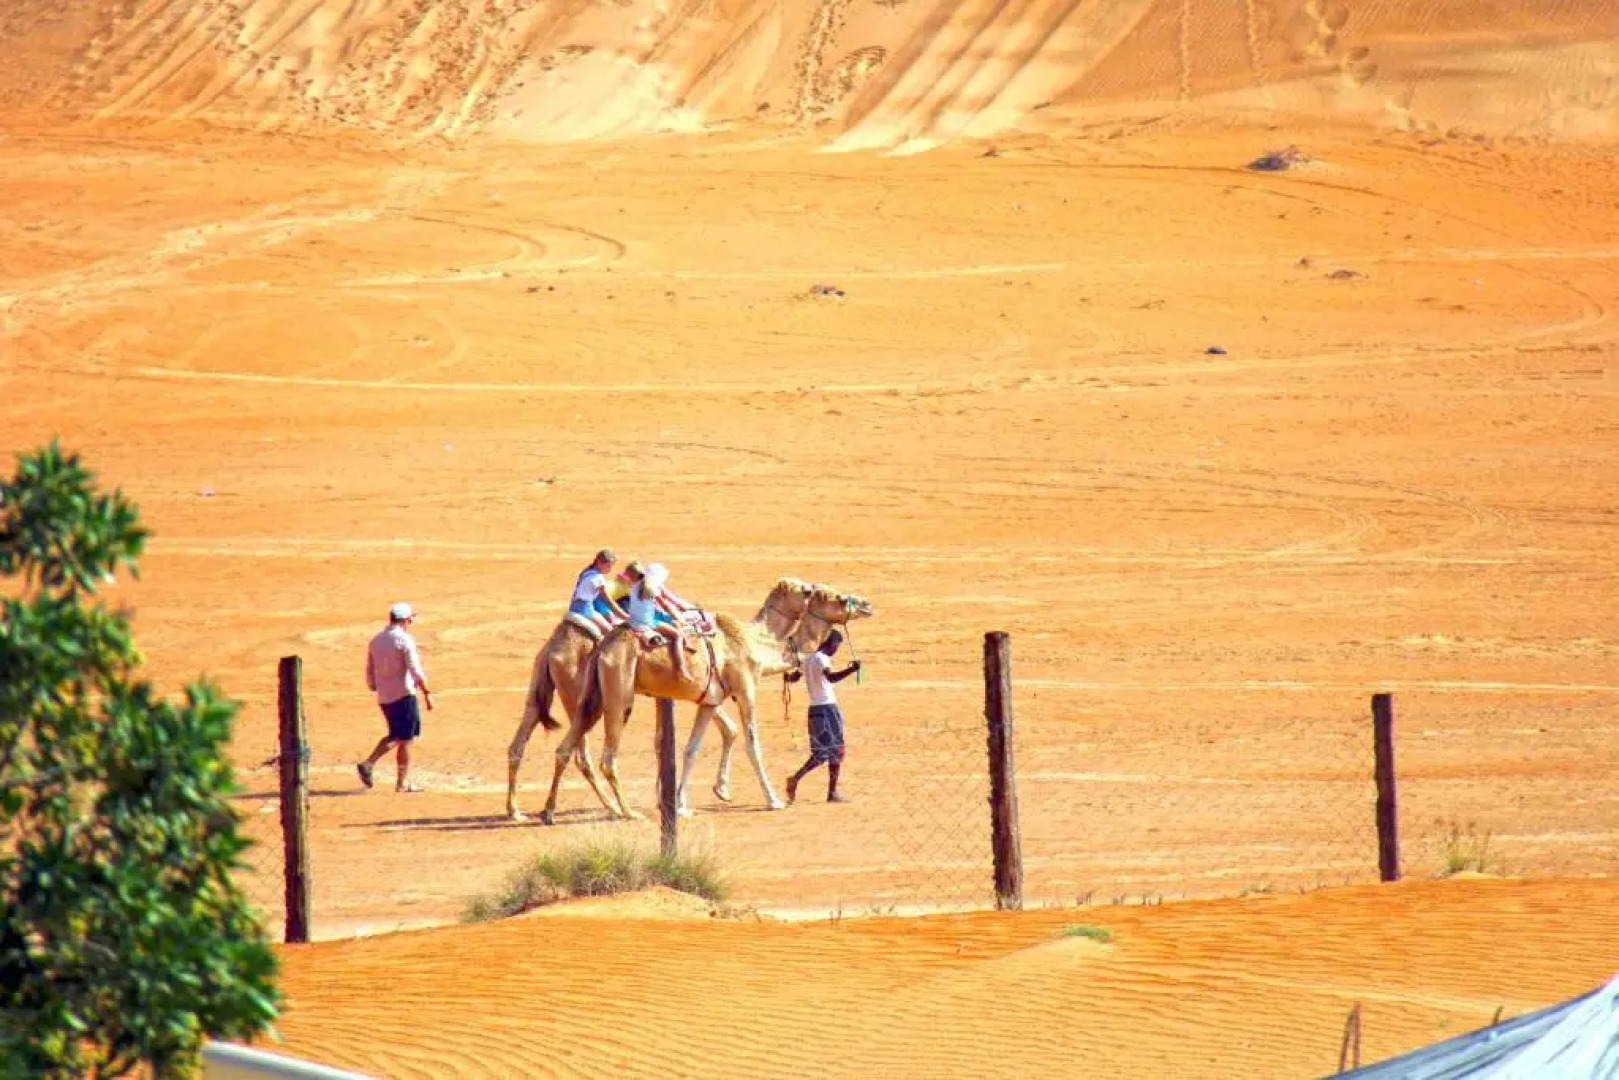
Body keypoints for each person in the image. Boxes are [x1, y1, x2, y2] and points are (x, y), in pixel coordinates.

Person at [357, 601, 434, 793]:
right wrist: (427, 693)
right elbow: (415, 669)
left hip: (385, 696)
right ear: (405, 620)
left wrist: (375, 687)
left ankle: (386, 773)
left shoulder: (376, 640)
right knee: (405, 738)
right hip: (404, 694)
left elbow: (369, 670)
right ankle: (381, 770)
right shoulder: (405, 640)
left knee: (397, 735)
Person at [782, 630, 861, 804]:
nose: (836, 650)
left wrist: (786, 676)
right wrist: (851, 670)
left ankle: (795, 779)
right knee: (836, 750)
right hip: (827, 709)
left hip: (814, 712)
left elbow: (793, 677)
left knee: (820, 753)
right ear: (831, 643)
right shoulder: (822, 659)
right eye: (836, 646)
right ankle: (832, 793)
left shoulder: (808, 660)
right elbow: (831, 678)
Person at [627, 562, 685, 678]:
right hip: (647, 623)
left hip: (632, 622)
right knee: (677, 635)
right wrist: (676, 616)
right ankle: (680, 668)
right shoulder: (651, 587)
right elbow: (665, 606)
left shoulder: (633, 587)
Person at [568, 548, 628, 634]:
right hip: (585, 610)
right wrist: (625, 616)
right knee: (609, 632)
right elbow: (609, 602)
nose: (610, 569)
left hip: (574, 607)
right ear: (599, 562)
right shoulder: (598, 578)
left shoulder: (587, 572)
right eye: (608, 566)